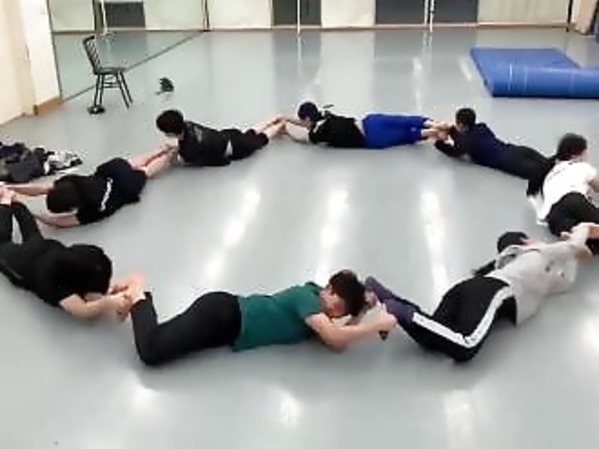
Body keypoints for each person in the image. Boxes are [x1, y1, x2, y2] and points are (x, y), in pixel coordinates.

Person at [365, 222, 598, 362]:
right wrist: (582, 229)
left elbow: (566, 282)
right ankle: (399, 310)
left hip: (468, 288)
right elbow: (573, 247)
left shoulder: (531, 270)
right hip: (495, 290)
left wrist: (574, 255)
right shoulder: (539, 251)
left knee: (433, 338)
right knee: (465, 345)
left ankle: (388, 300)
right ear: (525, 241)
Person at [114, 270, 396, 367]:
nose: (337, 315)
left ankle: (139, 300)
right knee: (152, 352)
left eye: (342, 313)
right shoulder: (307, 298)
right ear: (329, 289)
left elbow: (338, 342)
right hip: (222, 315)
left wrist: (360, 312)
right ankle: (137, 290)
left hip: (225, 328)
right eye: (339, 306)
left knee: (160, 341)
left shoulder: (318, 312)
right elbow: (335, 337)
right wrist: (378, 325)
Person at [0, 188, 130, 320]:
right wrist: (109, 302)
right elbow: (83, 311)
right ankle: (7, 202)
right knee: (6, 242)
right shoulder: (55, 284)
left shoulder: (77, 262)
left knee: (31, 232)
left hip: (45, 249)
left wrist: (108, 297)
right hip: (25, 262)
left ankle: (12, 201)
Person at [7, 148, 173, 228]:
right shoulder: (70, 181)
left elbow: (60, 222)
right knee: (137, 161)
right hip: (109, 171)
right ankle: (163, 148)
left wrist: (32, 213)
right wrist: (11, 186)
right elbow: (41, 188)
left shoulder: (92, 208)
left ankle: (170, 156)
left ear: (71, 207)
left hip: (124, 187)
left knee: (146, 171)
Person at [527, 133, 599, 253]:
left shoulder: (549, 172)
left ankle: (574, 235)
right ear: (576, 155)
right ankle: (580, 234)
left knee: (592, 246)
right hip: (573, 202)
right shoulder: (581, 166)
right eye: (585, 152)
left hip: (554, 218)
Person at [435, 107, 548, 180]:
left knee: (544, 176)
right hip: (517, 149)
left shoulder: (465, 143)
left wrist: (439, 143)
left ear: (461, 125)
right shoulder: (482, 127)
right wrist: (451, 130)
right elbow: (464, 136)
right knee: (549, 163)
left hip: (508, 162)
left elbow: (454, 152)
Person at [283, 102, 443, 149]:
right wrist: (286, 118)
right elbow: (306, 124)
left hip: (370, 138)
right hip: (369, 121)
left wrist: (286, 131)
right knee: (403, 120)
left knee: (405, 136)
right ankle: (435, 124)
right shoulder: (324, 113)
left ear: (307, 119)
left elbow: (301, 138)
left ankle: (431, 133)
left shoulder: (316, 133)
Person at [155, 109, 285, 167]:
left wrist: (173, 157)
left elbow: (220, 161)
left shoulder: (189, 151)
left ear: (171, 133)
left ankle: (281, 124)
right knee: (250, 133)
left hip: (237, 148)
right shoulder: (188, 124)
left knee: (261, 138)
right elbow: (189, 142)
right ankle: (275, 118)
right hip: (228, 135)